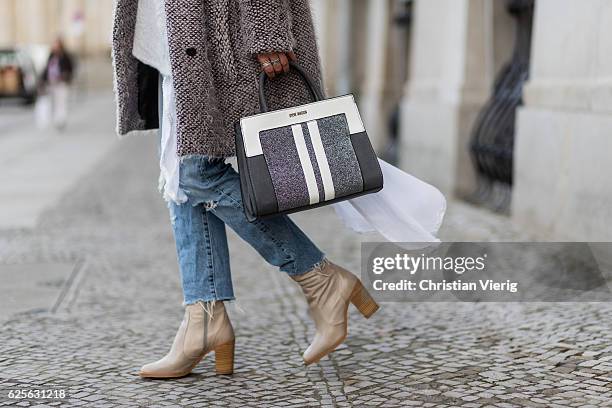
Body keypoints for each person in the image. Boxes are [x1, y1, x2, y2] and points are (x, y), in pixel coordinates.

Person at [111, 0, 380, 378]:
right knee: (182, 169)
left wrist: (267, 27)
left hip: (214, 25)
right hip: (171, 25)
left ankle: (319, 277)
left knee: (194, 172)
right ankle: (203, 316)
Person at [41, 37, 74, 130]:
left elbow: (70, 69)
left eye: (56, 45)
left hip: (62, 83)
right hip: (51, 83)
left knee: (61, 102)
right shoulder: (51, 55)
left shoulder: (65, 56)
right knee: (53, 102)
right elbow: (46, 69)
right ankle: (56, 119)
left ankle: (61, 120)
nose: (55, 47)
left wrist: (66, 76)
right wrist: (43, 80)